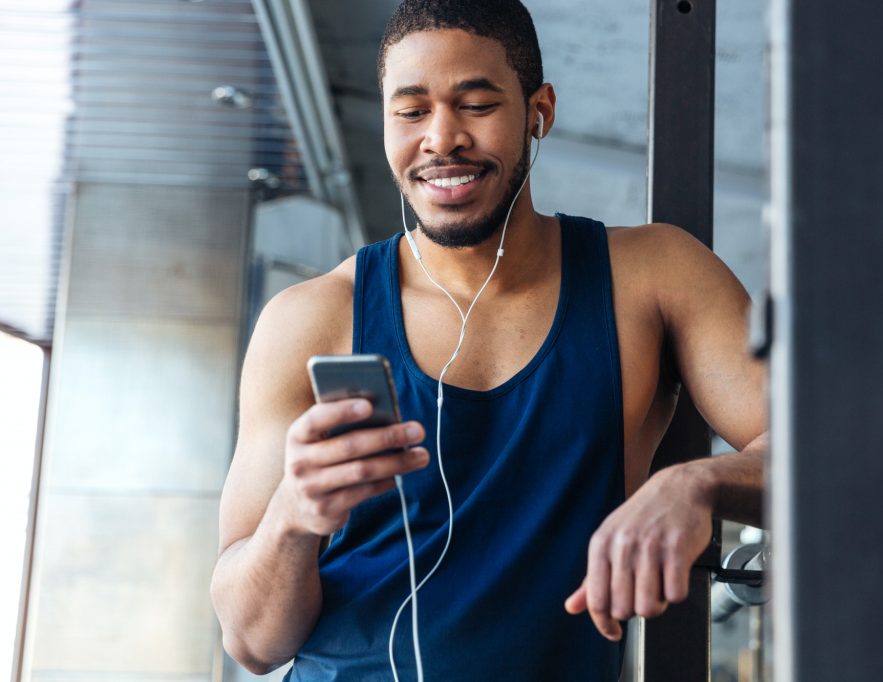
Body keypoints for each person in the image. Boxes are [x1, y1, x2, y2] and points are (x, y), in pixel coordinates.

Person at [210, 0, 766, 679]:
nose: (441, 139)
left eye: (475, 104)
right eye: (411, 112)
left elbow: (825, 455)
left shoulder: (651, 277)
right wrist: (293, 518)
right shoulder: (311, 317)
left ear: (539, 113)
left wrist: (696, 484)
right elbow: (252, 642)